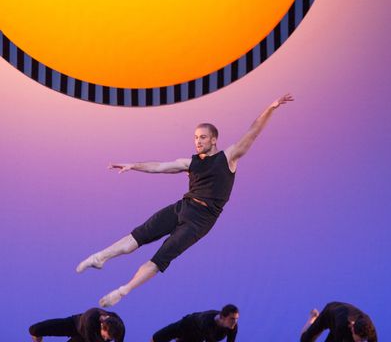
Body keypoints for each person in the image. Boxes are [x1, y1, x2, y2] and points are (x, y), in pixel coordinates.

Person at [76, 94, 294, 307]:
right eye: (196, 137)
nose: (198, 141)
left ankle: (122, 291)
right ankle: (100, 257)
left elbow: (253, 132)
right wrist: (133, 165)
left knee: (161, 257)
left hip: (200, 221)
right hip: (182, 207)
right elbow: (160, 166)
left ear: (214, 139)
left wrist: (271, 108)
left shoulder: (228, 157)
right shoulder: (190, 162)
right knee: (139, 234)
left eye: (203, 137)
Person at [29, 307, 125, 342]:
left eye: (108, 339)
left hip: (83, 339)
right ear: (102, 325)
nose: (105, 340)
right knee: (34, 330)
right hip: (74, 325)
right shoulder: (91, 317)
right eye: (104, 336)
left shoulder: (120, 329)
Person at [151, 304, 239, 342]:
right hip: (186, 325)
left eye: (236, 319)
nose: (235, 322)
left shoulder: (233, 326)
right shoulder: (207, 321)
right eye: (232, 319)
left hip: (196, 338)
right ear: (222, 317)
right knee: (156, 338)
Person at [300, 301, 377, 342]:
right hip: (329, 313)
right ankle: (314, 317)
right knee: (304, 340)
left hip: (341, 319)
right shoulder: (342, 326)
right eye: (358, 340)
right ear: (352, 329)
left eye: (362, 341)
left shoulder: (370, 331)